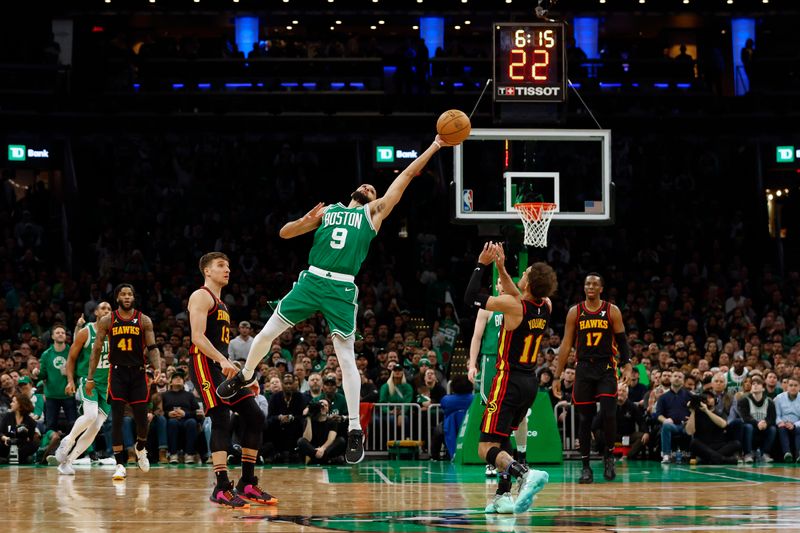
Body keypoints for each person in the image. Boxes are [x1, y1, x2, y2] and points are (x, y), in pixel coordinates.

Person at [217, 134, 454, 464]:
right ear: (353, 191)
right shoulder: (328, 211)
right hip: (312, 278)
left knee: (345, 357)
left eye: (374, 189)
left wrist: (435, 145)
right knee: (267, 333)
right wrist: (306, 221)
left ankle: (355, 428)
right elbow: (285, 233)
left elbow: (405, 178)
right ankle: (245, 378)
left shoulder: (373, 213)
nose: (370, 189)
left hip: (342, 288)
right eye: (367, 187)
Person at [464, 242, 553, 514]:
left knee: (484, 448)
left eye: (523, 273)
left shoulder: (512, 306)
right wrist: (502, 268)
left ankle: (524, 474)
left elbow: (470, 297)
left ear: (527, 283)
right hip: (529, 382)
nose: (520, 275)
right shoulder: (545, 305)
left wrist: (483, 264)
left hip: (507, 381)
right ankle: (503, 495)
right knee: (503, 440)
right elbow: (516, 292)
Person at [186, 253, 276, 507]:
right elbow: (197, 337)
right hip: (203, 363)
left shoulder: (222, 303)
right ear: (207, 271)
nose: (227, 269)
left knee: (256, 416)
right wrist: (222, 361)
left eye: (228, 265)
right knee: (221, 418)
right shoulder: (201, 295)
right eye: (221, 265)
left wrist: (243, 377)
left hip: (220, 365)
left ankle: (247, 483)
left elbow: (221, 350)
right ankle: (221, 487)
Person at [554, 273, 632, 484]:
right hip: (584, 368)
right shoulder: (575, 312)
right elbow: (566, 345)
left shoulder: (611, 310)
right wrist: (557, 374)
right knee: (584, 418)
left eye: (594, 284)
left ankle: (608, 456)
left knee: (608, 413)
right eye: (587, 283)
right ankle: (586, 466)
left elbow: (623, 341)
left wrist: (627, 364)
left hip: (606, 366)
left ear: (601, 288)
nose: (590, 286)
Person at [87, 285, 161, 481]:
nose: (127, 297)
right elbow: (95, 350)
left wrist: (158, 367)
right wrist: (90, 377)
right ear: (117, 298)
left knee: (142, 419)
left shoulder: (144, 319)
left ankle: (141, 448)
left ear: (134, 297)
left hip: (138, 374)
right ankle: (120, 463)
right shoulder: (107, 320)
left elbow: (152, 347)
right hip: (117, 373)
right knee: (117, 420)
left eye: (130, 294)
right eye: (123, 294)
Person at [54, 302, 113, 475]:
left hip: (108, 385)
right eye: (103, 308)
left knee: (95, 427)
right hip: (89, 381)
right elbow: (71, 358)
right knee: (90, 415)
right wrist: (70, 381)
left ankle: (67, 463)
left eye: (110, 309)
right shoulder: (86, 332)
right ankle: (68, 440)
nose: (107, 311)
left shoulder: (115, 333)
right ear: (95, 312)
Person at [39, 325, 77, 433]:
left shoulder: (72, 352)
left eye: (63, 333)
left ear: (65, 336)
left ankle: (75, 449)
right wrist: (37, 373)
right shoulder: (46, 354)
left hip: (68, 394)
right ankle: (49, 449)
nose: (61, 334)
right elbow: (43, 375)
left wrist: (70, 372)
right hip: (51, 396)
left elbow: (79, 370)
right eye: (58, 333)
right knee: (50, 426)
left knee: (74, 424)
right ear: (52, 336)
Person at [685, 390, 740, 465]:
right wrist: (693, 410)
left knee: (736, 444)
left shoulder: (720, 413)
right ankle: (723, 459)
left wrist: (706, 411)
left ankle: (707, 460)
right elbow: (689, 432)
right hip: (703, 446)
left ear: (715, 400)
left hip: (719, 445)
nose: (707, 399)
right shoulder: (696, 414)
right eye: (705, 398)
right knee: (693, 443)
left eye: (710, 398)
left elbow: (723, 424)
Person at [737, 375, 776, 463]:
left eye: (758, 384)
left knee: (773, 429)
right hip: (751, 428)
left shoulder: (769, 401)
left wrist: (766, 423)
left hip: (763, 428)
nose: (755, 385)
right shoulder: (744, 400)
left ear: (763, 388)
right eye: (753, 383)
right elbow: (745, 417)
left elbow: (772, 418)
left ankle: (765, 454)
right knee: (748, 426)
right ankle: (748, 454)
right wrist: (757, 423)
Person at [654, 371, 691, 463]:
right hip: (672, 425)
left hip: (686, 425)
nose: (677, 378)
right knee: (666, 426)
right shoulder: (663, 397)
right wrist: (665, 420)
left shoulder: (689, 395)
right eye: (675, 376)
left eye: (680, 376)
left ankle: (689, 455)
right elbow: (658, 415)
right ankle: (666, 455)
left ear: (683, 381)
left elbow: (696, 412)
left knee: (692, 429)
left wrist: (691, 420)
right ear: (671, 379)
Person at [297, 398, 345, 465]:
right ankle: (327, 460)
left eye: (326, 405)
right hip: (313, 448)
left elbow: (331, 438)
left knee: (341, 440)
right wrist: (308, 417)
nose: (323, 407)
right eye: (321, 405)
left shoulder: (332, 422)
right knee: (301, 441)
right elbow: (307, 439)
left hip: (326, 449)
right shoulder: (309, 420)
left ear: (328, 409)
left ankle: (316, 460)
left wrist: (322, 449)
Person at [0, 395, 39, 464]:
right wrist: (5, 438)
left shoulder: (30, 421)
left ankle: (9, 459)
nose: (11, 404)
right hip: (7, 444)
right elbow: (0, 432)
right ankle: (17, 459)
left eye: (13, 402)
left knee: (34, 444)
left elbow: (30, 439)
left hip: (21, 446)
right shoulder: (7, 416)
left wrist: (26, 432)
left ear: (20, 405)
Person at [774, 377, 800, 462]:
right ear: (787, 387)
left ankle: (798, 455)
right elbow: (776, 415)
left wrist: (794, 425)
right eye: (791, 385)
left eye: (795, 385)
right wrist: (780, 422)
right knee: (782, 429)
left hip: (796, 424)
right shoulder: (779, 398)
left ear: (799, 387)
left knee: (798, 429)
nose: (793, 387)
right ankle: (787, 453)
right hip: (783, 424)